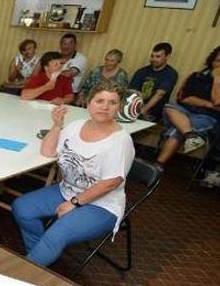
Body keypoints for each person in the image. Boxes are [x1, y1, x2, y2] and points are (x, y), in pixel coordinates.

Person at [12, 79, 135, 267]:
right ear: (88, 103)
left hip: (102, 204)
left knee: (56, 234)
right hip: (68, 190)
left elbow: (111, 182)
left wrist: (74, 203)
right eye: (99, 101)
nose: (105, 107)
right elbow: (46, 152)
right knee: (22, 208)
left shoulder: (120, 140)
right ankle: (38, 257)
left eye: (112, 102)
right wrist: (57, 125)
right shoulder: (75, 126)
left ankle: (27, 270)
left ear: (118, 108)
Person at [157, 45, 220, 163]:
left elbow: (219, 101)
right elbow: (183, 98)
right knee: (169, 106)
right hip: (183, 112)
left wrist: (217, 78)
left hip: (207, 117)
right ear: (212, 60)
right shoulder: (197, 75)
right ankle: (190, 135)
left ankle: (158, 165)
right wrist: (209, 104)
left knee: (176, 130)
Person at [129, 42, 178, 122]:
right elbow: (132, 91)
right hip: (135, 106)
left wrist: (144, 110)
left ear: (167, 56)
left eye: (158, 56)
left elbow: (160, 94)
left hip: (153, 111)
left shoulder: (171, 73)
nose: (154, 59)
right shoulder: (142, 71)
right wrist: (136, 107)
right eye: (152, 56)